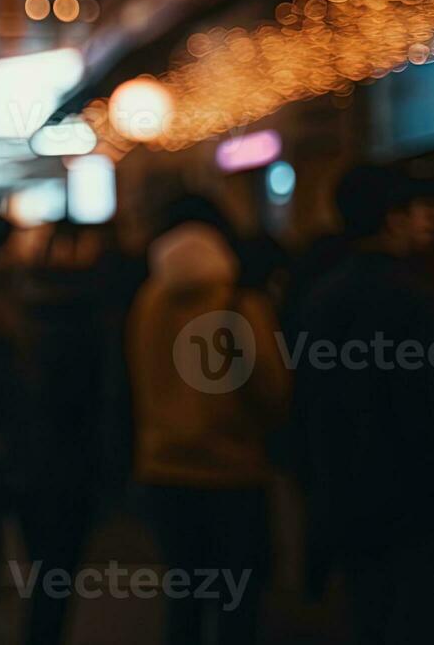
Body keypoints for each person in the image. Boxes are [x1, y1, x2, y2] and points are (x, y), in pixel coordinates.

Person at [293, 166, 434, 644]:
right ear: (392, 219)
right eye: (417, 212)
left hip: (349, 496)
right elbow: (433, 408)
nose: (428, 222)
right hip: (415, 504)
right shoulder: (416, 298)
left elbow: (311, 404)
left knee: (369, 618)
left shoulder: (322, 297)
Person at [126, 197, 290, 645]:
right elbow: (272, 389)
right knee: (237, 604)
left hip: (163, 470)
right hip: (232, 473)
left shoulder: (148, 300)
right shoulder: (238, 302)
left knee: (184, 600)